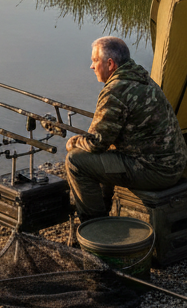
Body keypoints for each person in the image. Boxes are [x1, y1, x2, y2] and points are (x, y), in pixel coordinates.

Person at [65, 36, 187, 221]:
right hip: (174, 164)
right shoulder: (139, 76)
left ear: (110, 63)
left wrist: (74, 142)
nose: (92, 66)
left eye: (95, 61)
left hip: (156, 171)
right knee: (108, 154)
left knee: (76, 161)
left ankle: (94, 225)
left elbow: (97, 143)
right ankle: (105, 211)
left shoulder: (116, 90)